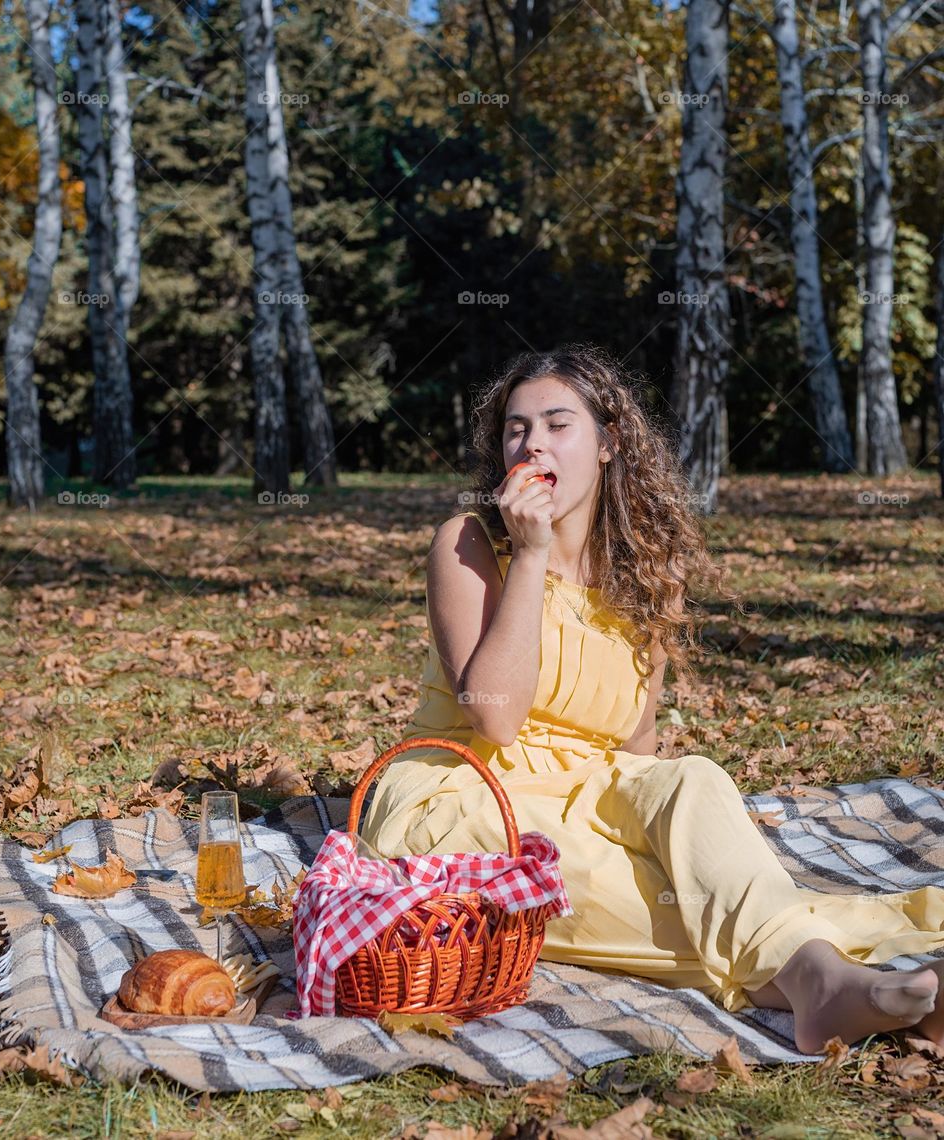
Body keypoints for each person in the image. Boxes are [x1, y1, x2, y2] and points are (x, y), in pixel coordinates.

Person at [360, 344, 944, 1054]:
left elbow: (636, 750)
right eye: (517, 428)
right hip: (465, 796)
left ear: (608, 444)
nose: (533, 443)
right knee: (641, 900)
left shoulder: (645, 575)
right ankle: (838, 983)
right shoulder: (470, 545)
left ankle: (845, 988)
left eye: (556, 423)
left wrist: (690, 838)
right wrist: (533, 555)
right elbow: (496, 717)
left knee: (695, 788)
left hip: (586, 790)